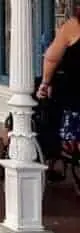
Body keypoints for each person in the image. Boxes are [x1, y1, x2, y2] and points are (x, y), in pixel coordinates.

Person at [38, 10, 80, 181]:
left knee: (46, 105)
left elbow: (51, 59)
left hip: (74, 99)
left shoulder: (73, 26)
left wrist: (45, 83)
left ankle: (53, 150)